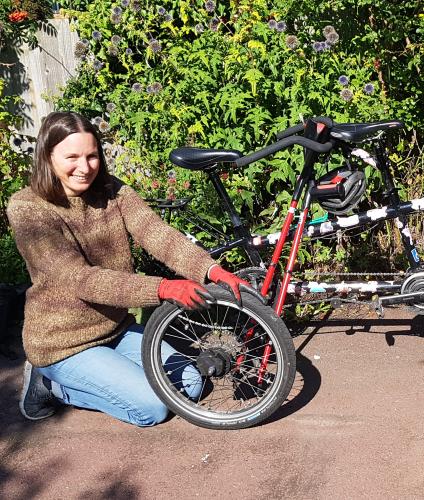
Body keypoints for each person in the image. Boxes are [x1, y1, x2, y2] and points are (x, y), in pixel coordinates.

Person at [7, 111, 259, 427]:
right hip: (63, 344)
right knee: (153, 407)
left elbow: (157, 234)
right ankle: (51, 385)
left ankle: (100, 375)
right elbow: (80, 279)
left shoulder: (112, 191)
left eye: (92, 156)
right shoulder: (28, 209)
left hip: (115, 329)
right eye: (72, 157)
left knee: (190, 385)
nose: (84, 168)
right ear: (47, 155)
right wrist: (164, 288)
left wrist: (210, 270)